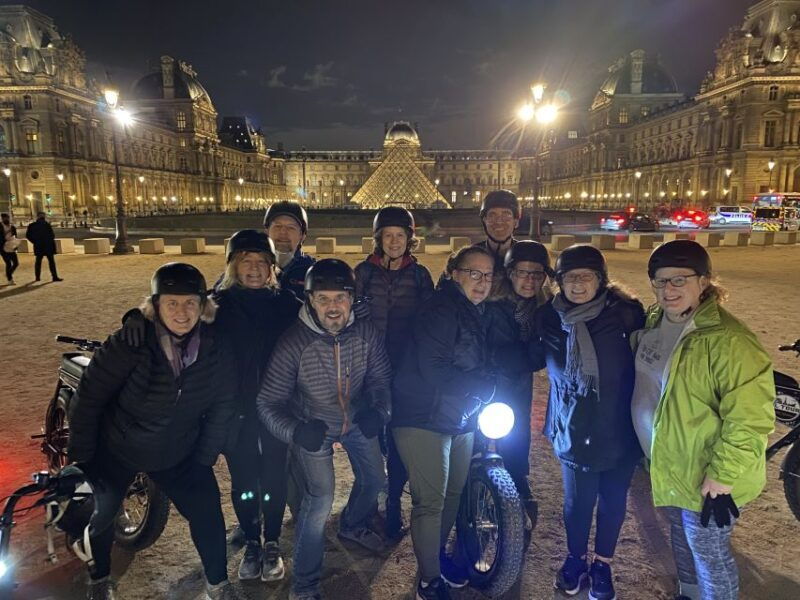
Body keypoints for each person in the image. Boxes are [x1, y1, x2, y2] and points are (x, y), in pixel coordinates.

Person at [66, 263, 240, 600]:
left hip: (178, 450)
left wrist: (204, 457)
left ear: (203, 305)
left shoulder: (215, 347)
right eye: (171, 303)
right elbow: (89, 398)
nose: (181, 312)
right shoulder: (131, 342)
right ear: (155, 305)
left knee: (207, 512)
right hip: (119, 447)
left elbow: (224, 404)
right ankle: (99, 578)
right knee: (100, 511)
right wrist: (82, 460)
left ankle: (218, 583)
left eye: (190, 302)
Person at [632, 240, 774, 600]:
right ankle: (690, 593)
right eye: (660, 281)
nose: (669, 290)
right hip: (670, 462)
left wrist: (722, 475)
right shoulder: (655, 320)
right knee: (681, 534)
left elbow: (750, 418)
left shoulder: (730, 340)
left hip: (707, 473)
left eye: (680, 280)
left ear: (705, 281)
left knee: (708, 550)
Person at [257, 259, 392, 600]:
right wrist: (297, 430)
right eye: (324, 299)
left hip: (357, 419)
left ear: (352, 299)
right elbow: (268, 402)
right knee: (319, 503)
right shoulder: (294, 343)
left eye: (341, 298)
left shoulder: (365, 333)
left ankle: (352, 524)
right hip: (313, 427)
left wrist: (380, 410)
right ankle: (305, 586)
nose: (333, 307)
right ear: (310, 301)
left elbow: (380, 379)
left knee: (376, 479)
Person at [530, 244, 645, 600]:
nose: (578, 284)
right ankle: (575, 559)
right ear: (559, 281)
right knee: (577, 504)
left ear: (601, 280)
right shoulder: (548, 316)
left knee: (613, 501)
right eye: (569, 277)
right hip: (573, 424)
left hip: (618, 426)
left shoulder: (626, 314)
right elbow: (529, 354)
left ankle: (603, 564)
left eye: (586, 276)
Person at [391, 246, 498, 600]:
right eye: (474, 273)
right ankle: (428, 581)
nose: (482, 282)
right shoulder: (441, 308)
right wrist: (482, 386)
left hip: (459, 414)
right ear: (454, 273)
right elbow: (434, 369)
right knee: (431, 502)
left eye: (488, 275)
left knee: (452, 493)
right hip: (424, 416)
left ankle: (434, 558)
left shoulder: (472, 310)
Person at [214, 230, 302, 581]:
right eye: (245, 261)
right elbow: (174, 320)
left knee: (274, 475)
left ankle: (272, 542)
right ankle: (252, 539)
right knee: (243, 479)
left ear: (271, 267)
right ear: (233, 265)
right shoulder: (214, 306)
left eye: (261, 262)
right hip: (236, 409)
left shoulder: (289, 305)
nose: (253, 268)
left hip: (277, 406)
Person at [354, 206, 434, 539]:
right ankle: (371, 499)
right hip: (369, 367)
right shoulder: (363, 273)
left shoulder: (420, 275)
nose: (394, 241)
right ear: (378, 239)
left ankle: (394, 504)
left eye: (400, 235)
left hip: (405, 369)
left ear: (409, 239)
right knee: (369, 438)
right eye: (388, 235)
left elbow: (430, 320)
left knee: (398, 439)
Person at [485, 240, 554, 532]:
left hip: (516, 386)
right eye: (522, 273)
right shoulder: (492, 304)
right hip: (487, 384)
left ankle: (516, 488)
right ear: (510, 273)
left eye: (536, 274)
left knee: (517, 437)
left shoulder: (544, 308)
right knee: (478, 444)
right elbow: (504, 353)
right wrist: (536, 353)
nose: (529, 280)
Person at [263, 200, 315, 299]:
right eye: (277, 226)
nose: (283, 232)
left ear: (302, 235)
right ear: (267, 232)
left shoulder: (315, 272)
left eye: (291, 227)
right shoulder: (252, 269)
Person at [474, 189, 520, 274]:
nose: (499, 221)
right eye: (492, 215)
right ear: (484, 221)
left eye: (506, 215)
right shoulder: (470, 256)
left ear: (516, 222)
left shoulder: (527, 255)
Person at [25, 211, 62, 282]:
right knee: (51, 262)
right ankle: (54, 276)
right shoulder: (46, 224)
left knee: (38, 262)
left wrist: (35, 242)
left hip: (39, 246)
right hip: (48, 246)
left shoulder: (32, 225)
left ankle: (37, 277)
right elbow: (52, 235)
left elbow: (28, 236)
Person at [1, 212, 19, 284]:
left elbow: (15, 237)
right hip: (2, 247)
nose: (6, 219)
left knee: (16, 263)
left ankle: (8, 274)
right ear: (2, 219)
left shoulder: (12, 227)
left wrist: (16, 246)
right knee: (8, 263)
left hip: (11, 247)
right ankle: (10, 279)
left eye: (7, 217)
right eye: (4, 218)